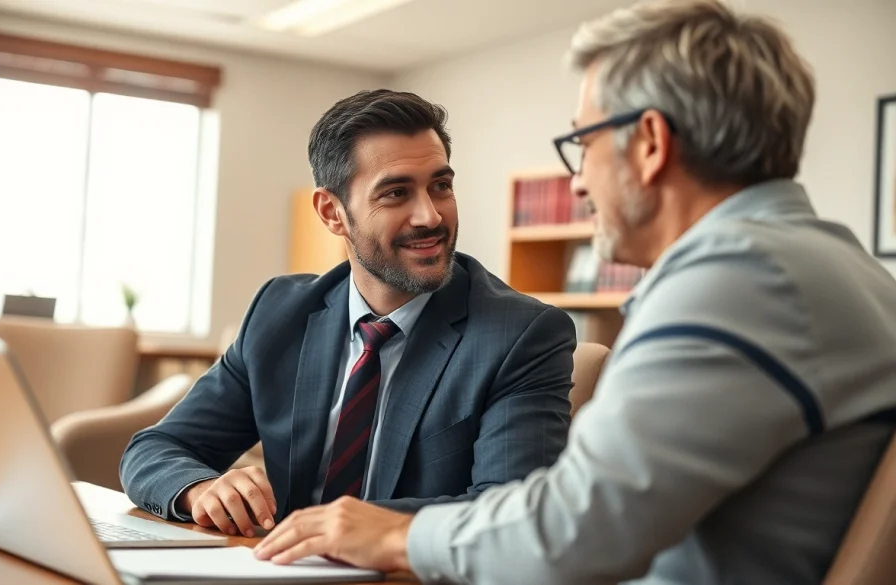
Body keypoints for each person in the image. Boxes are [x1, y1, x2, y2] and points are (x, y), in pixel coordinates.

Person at [252, 1, 896, 583]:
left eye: (583, 144)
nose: (579, 183)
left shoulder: (737, 281)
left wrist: (399, 533)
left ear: (649, 144)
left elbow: (575, 531)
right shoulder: (833, 265)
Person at [119, 89, 577, 539]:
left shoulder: (520, 334)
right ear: (332, 212)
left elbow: (511, 508)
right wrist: (200, 489)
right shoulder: (280, 312)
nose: (431, 216)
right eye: (396, 193)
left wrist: (347, 527)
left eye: (441, 186)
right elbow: (156, 448)